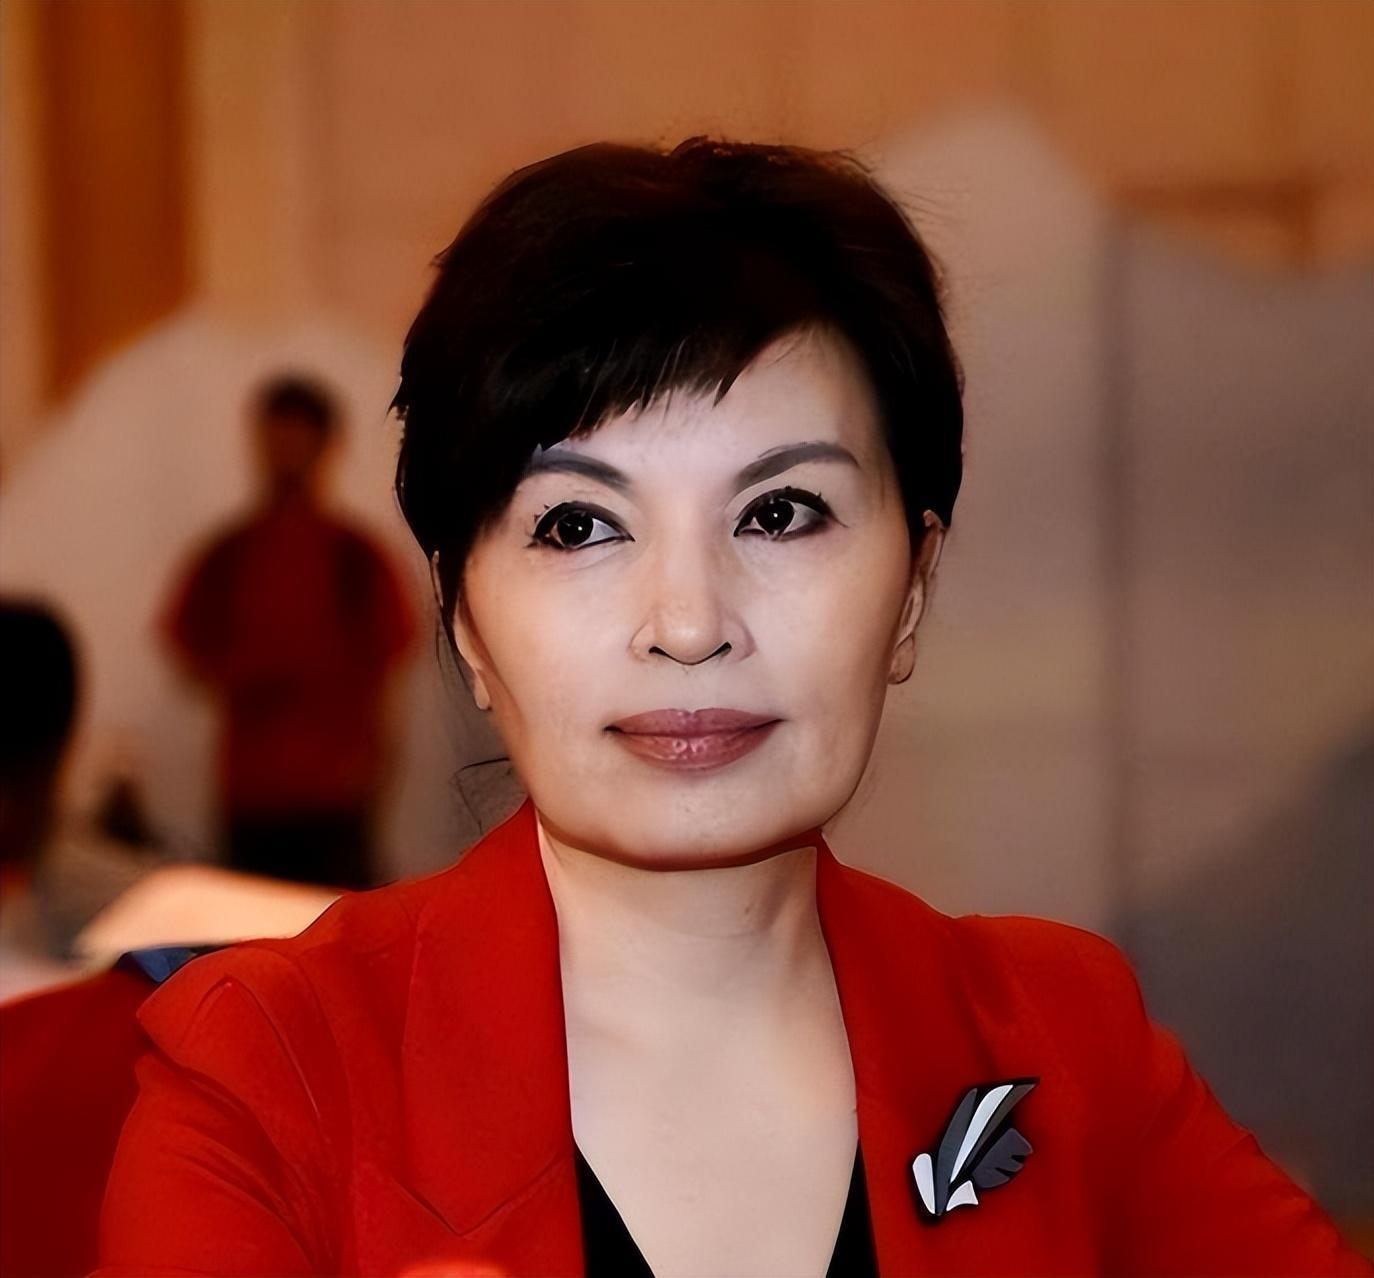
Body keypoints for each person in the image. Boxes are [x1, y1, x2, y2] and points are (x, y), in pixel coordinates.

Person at [94, 138, 1372, 1276]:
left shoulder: (1063, 1047)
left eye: (781, 511)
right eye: (579, 525)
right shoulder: (266, 1073)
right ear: (466, 619)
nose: (690, 621)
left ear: (914, 588)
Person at [159, 375, 416, 890]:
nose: (285, 454)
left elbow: (389, 676)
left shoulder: (356, 557)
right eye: (275, 438)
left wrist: (373, 769)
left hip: (336, 801)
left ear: (327, 445)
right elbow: (187, 650)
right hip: (250, 800)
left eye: (297, 439)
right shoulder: (227, 555)